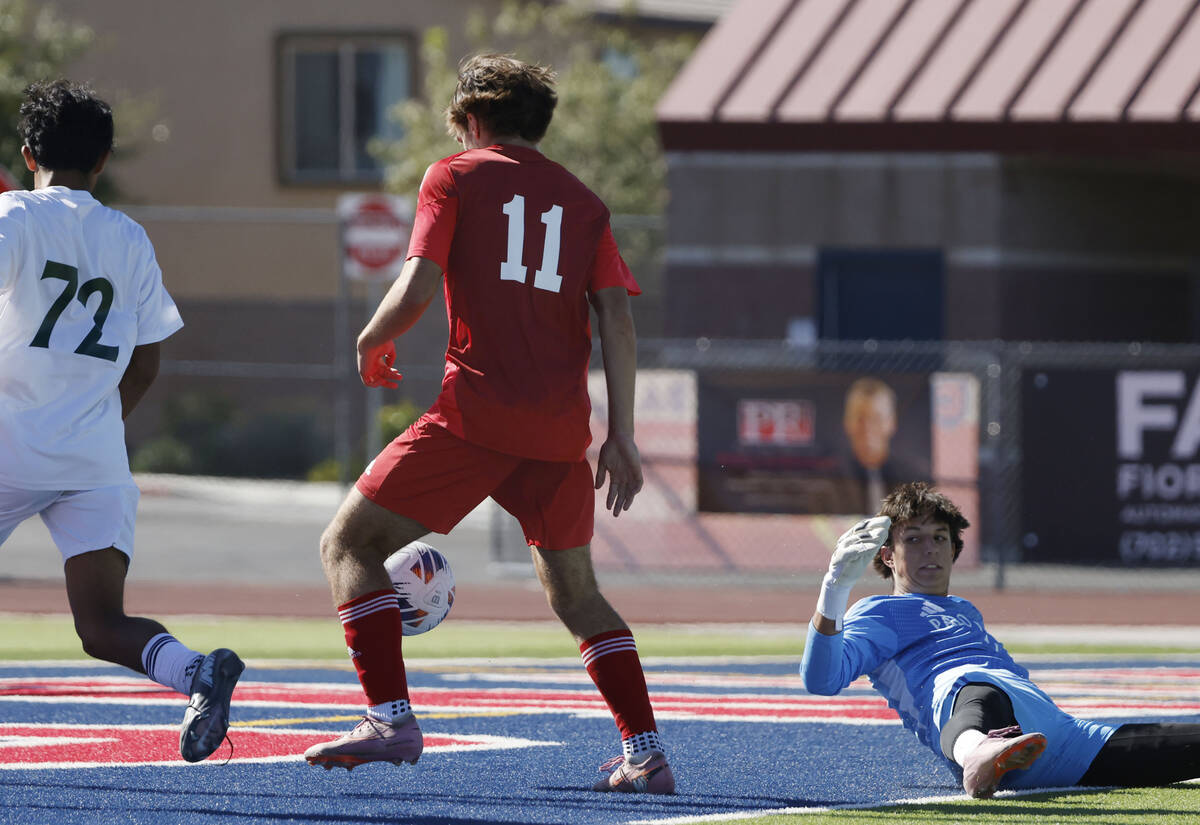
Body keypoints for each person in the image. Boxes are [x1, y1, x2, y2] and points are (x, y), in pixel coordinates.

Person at [302, 54, 673, 794]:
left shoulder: (454, 175)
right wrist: (621, 433)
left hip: (474, 418)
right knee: (576, 595)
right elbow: (618, 318)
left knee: (347, 543)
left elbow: (416, 285)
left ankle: (389, 716)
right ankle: (646, 751)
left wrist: (372, 339)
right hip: (560, 433)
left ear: (472, 119)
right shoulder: (586, 202)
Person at [0, 80, 243, 762]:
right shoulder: (129, 237)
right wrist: (98, 425)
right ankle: (197, 671)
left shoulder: (13, 216)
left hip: (10, 445)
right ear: (103, 160)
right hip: (94, 460)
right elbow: (146, 359)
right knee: (103, 624)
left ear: (26, 154)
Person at [801, 482, 1200, 798]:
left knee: (1181, 745)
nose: (930, 550)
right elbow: (820, 679)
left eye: (939, 537)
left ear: (954, 548)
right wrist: (835, 587)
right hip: (971, 720)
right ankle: (979, 755)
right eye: (914, 539)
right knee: (976, 684)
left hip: (1051, 731)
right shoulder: (878, 612)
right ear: (888, 556)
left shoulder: (963, 609)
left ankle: (998, 751)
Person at [831, 377, 924, 514]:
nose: (868, 428)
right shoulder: (830, 477)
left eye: (877, 418)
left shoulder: (913, 477)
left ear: (891, 423)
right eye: (860, 418)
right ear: (847, 422)